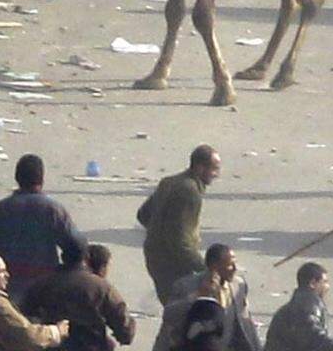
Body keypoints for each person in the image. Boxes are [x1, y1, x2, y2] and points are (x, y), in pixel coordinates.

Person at [0, 153, 86, 305]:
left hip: (5, 289)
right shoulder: (52, 209)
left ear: (17, 178)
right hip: (44, 288)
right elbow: (76, 245)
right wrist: (66, 272)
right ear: (42, 179)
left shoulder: (1, 209)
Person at [137, 144, 221, 305]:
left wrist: (158, 233)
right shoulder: (190, 192)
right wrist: (206, 270)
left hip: (154, 259)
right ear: (199, 167)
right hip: (173, 265)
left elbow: (143, 215)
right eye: (214, 169)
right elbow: (180, 242)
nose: (216, 174)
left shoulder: (169, 182)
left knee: (173, 308)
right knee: (181, 313)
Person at [24, 243, 136, 351]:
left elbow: (25, 318)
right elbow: (125, 328)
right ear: (86, 258)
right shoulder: (100, 287)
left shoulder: (43, 283)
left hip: (53, 345)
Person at [157, 244, 261, 351]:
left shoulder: (238, 285)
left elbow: (246, 324)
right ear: (214, 267)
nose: (234, 269)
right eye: (230, 265)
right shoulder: (186, 286)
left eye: (235, 263)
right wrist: (198, 295)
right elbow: (169, 314)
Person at [263, 261, 333, 351]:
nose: (328, 286)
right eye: (325, 282)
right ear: (312, 283)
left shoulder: (298, 301)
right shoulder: (308, 304)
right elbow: (312, 334)